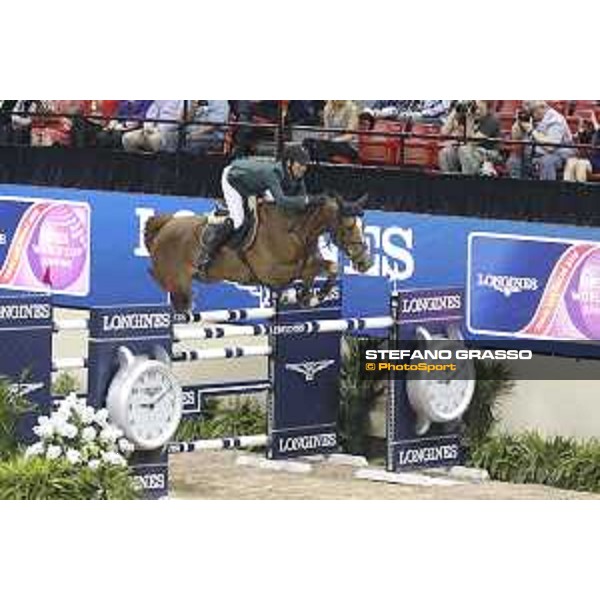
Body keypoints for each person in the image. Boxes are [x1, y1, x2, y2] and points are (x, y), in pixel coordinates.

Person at [197, 143, 313, 276]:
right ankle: (207, 254)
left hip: (255, 182)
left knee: (271, 207)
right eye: (301, 164)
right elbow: (284, 201)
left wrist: (310, 202)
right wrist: (309, 200)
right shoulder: (273, 173)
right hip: (233, 178)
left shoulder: (296, 176)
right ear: (289, 163)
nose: (304, 168)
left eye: (305, 165)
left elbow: (300, 200)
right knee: (238, 221)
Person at [507, 100, 575, 180]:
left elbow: (551, 147)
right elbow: (516, 138)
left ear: (542, 108)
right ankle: (518, 190)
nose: (531, 115)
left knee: (547, 161)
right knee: (514, 161)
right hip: (533, 152)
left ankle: (546, 191)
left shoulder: (555, 119)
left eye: (532, 111)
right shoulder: (531, 117)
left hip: (558, 153)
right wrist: (518, 124)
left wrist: (531, 130)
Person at [563, 111, 600, 182]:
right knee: (571, 161)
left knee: (581, 165)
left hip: (596, 167)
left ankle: (581, 192)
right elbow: (590, 153)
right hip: (591, 163)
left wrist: (595, 176)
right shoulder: (597, 133)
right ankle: (567, 190)